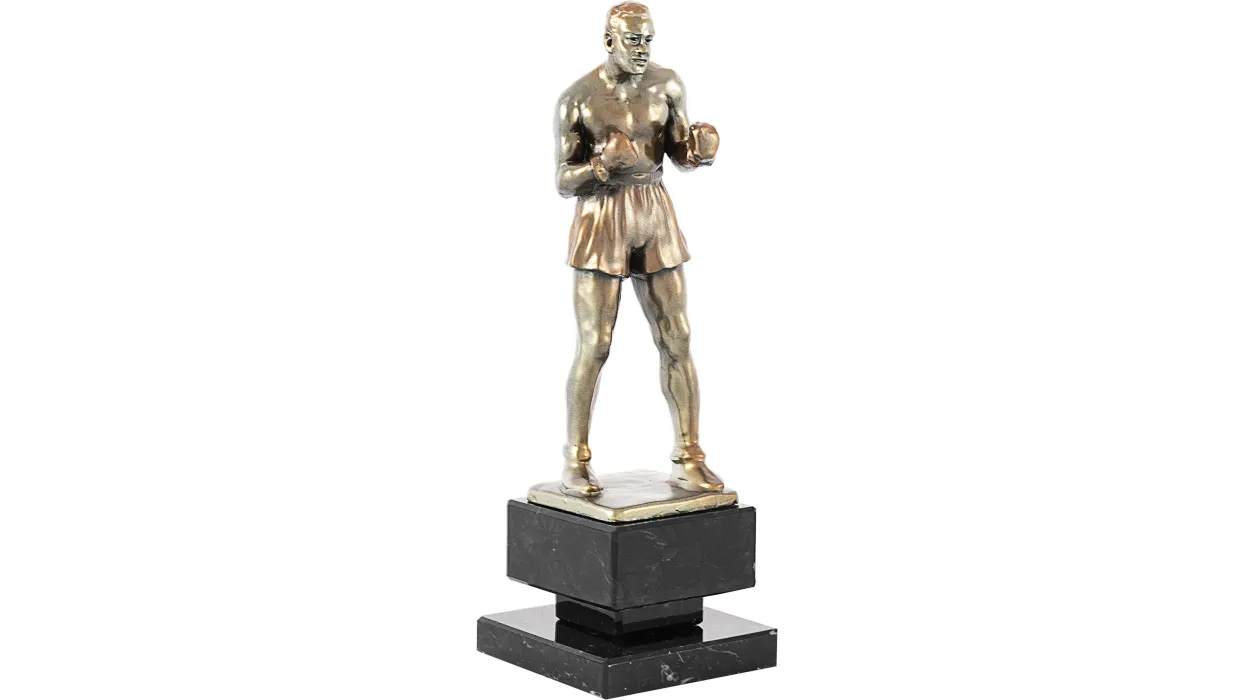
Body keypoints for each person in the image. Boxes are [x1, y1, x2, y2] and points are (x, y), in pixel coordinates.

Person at [554, 3, 723, 495]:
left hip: (653, 210)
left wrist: (697, 151)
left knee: (678, 336)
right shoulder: (578, 99)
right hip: (601, 216)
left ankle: (689, 455)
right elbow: (563, 180)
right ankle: (575, 460)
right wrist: (601, 166)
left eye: (648, 39)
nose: (642, 49)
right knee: (596, 344)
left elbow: (677, 152)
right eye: (633, 40)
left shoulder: (667, 85)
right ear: (609, 41)